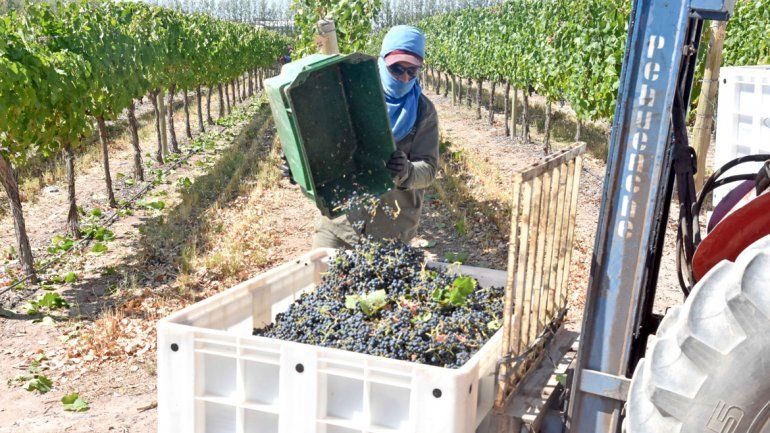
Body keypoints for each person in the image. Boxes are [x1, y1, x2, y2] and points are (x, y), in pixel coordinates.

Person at [282, 25, 439, 249]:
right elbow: (325, 145)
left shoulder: (423, 111)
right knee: (323, 278)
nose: (404, 78)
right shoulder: (351, 93)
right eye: (396, 69)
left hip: (391, 229)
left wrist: (408, 172)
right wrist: (298, 166)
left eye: (411, 71)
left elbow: (429, 169)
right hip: (340, 222)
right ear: (383, 61)